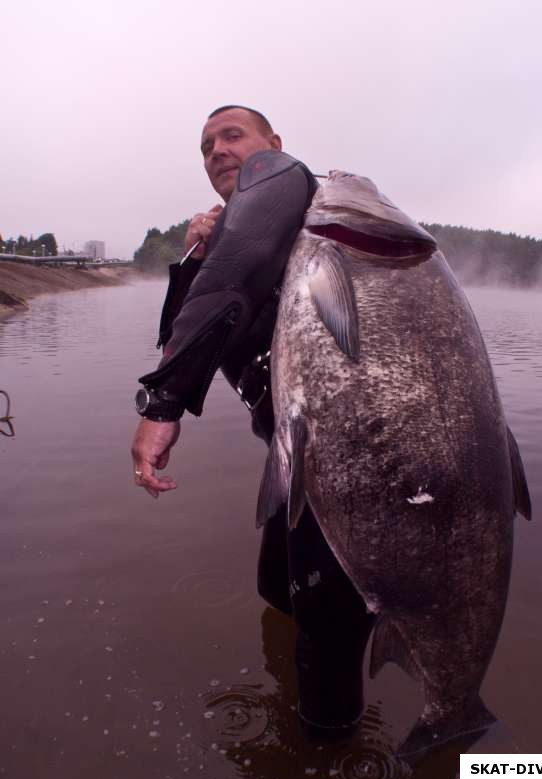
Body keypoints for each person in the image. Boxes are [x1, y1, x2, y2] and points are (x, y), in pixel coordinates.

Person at [130, 105, 374, 738]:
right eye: (206, 145)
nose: (216, 150)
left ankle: (328, 755)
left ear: (273, 144)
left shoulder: (301, 195)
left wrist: (164, 408)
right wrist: (192, 259)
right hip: (290, 454)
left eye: (231, 135)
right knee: (276, 588)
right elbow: (177, 338)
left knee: (328, 631)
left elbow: (252, 250)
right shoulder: (234, 245)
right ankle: (296, 692)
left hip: (347, 450)